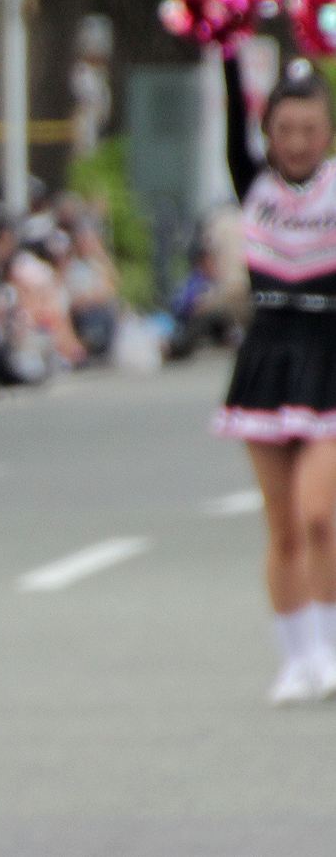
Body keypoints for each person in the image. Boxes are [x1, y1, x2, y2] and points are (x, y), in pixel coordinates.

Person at [215, 57, 336, 705]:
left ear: (329, 132)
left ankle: (330, 646)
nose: (297, 142)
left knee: (319, 516)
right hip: (267, 355)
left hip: (329, 350)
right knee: (283, 525)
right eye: (285, 129)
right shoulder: (255, 182)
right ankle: (297, 657)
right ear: (267, 133)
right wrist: (227, 45)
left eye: (310, 129)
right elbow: (233, 116)